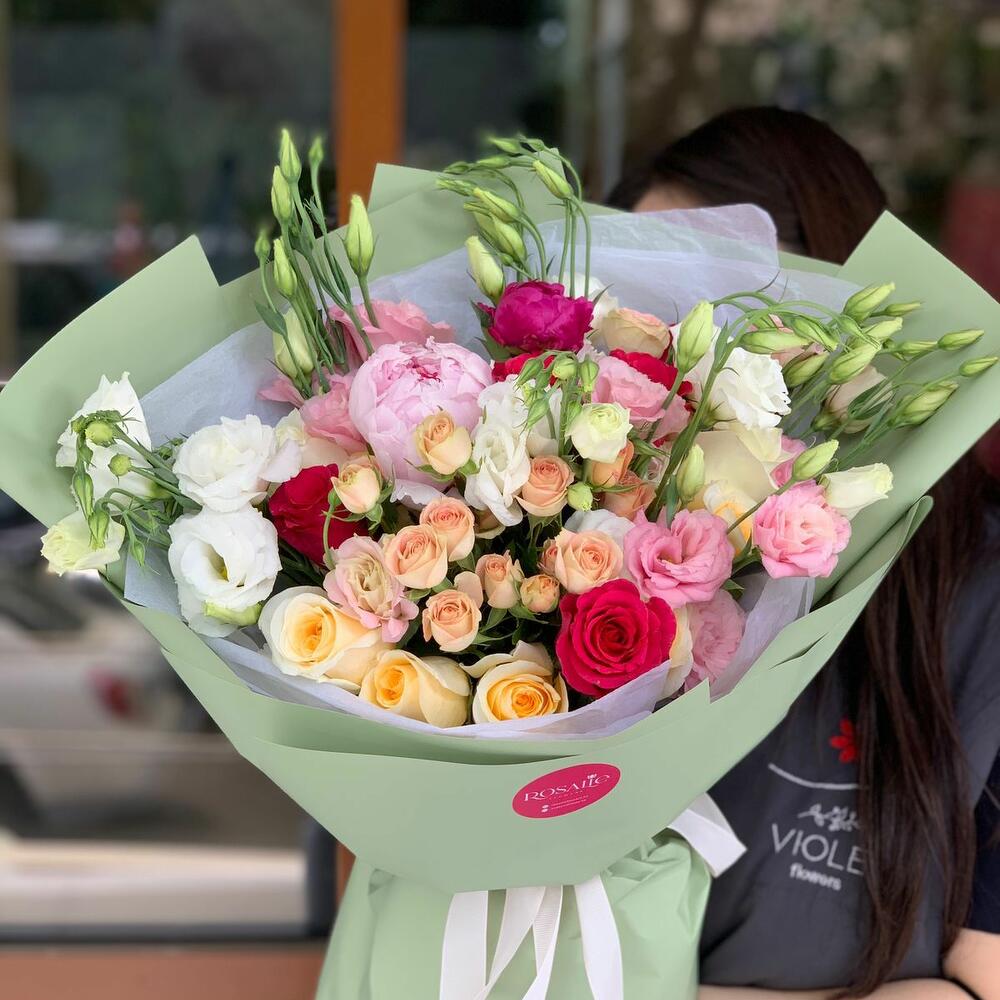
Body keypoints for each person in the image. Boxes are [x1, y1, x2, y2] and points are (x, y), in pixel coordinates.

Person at [608, 107, 1000, 1000]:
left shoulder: (978, 596)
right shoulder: (542, 571)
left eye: (728, 314)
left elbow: (983, 980)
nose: (680, 357)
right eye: (647, 308)